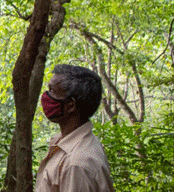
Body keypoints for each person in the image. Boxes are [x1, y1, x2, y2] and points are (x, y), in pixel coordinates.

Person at [36, 64, 116, 192]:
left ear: (70, 105)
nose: (46, 96)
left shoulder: (76, 164)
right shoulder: (69, 142)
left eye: (52, 91)